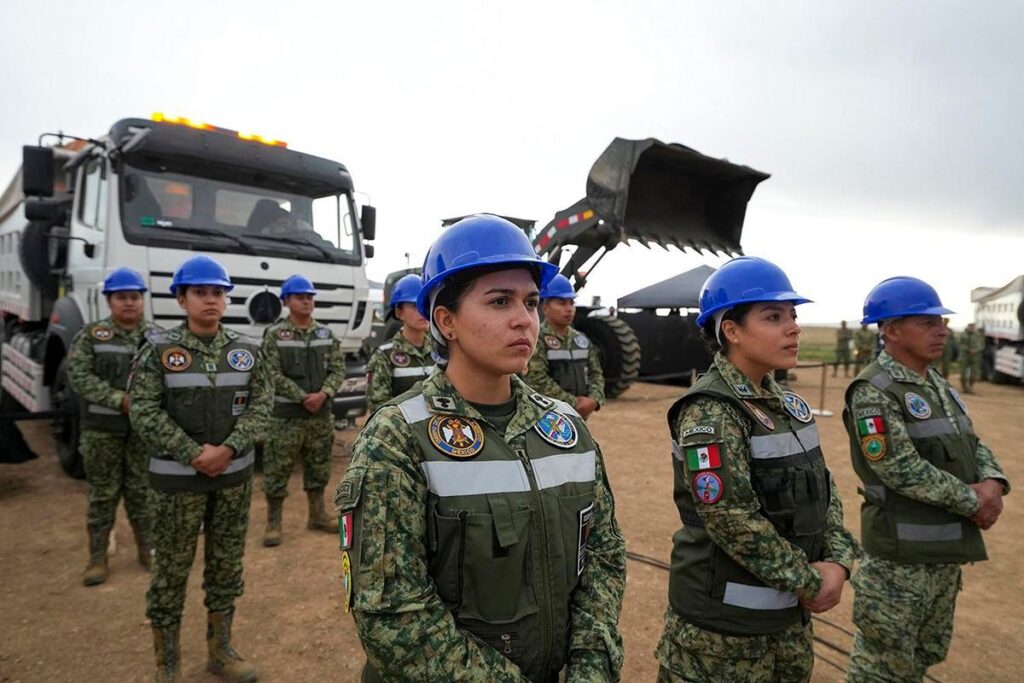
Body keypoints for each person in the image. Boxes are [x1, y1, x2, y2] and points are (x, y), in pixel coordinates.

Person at [335, 214, 626, 682]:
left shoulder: (566, 426)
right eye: (499, 301)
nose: (523, 319)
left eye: (531, 302)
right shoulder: (396, 437)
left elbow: (603, 555)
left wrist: (591, 667)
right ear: (446, 321)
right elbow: (391, 614)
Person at [655, 256, 857, 683]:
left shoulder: (787, 404)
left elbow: (825, 488)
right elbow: (729, 518)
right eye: (773, 316)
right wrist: (809, 579)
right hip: (723, 636)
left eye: (793, 315)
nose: (794, 327)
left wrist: (838, 562)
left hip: (787, 623)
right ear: (731, 330)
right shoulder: (711, 409)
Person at [844, 277, 1009, 682]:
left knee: (920, 658)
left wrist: (993, 481)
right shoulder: (874, 391)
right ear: (892, 330)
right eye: (927, 322)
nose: (942, 331)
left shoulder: (935, 383)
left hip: (941, 554)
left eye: (941, 322)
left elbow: (970, 441)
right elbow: (898, 467)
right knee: (882, 668)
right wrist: (975, 502)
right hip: (899, 559)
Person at [130, 255, 271, 683]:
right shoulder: (158, 350)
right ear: (181, 298)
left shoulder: (247, 351)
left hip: (232, 480)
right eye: (200, 292)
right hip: (176, 484)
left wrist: (227, 449)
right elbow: (143, 409)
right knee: (171, 569)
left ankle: (221, 651)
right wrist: (194, 453)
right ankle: (166, 663)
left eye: (218, 293)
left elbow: (263, 408)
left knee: (226, 564)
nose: (211, 300)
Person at [68, 267, 156, 586]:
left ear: (142, 301)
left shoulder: (155, 337)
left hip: (140, 432)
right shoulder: (92, 336)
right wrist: (118, 399)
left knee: (141, 493)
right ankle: (97, 557)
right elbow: (79, 376)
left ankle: (147, 549)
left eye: (134, 297)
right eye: (122, 297)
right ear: (109, 300)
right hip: (101, 431)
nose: (129, 303)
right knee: (103, 495)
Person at [260, 274, 347, 547]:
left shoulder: (325, 334)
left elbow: (338, 368)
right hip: (286, 418)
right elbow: (270, 372)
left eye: (309, 297)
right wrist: (301, 397)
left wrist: (324, 394)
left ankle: (317, 515)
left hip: (319, 416)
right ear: (286, 301)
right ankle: (274, 522)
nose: (306, 301)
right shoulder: (275, 335)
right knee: (277, 469)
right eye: (300, 297)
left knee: (318, 466)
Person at [524, 274, 604, 420]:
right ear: (546, 307)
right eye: (562, 303)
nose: (569, 309)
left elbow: (596, 373)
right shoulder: (537, 339)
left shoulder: (581, 340)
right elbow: (536, 379)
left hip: (579, 416)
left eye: (572, 303)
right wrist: (574, 404)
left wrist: (594, 399)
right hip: (547, 416)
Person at [365, 273, 435, 414]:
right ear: (398, 312)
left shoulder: (441, 350)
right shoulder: (384, 355)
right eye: (415, 305)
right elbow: (378, 406)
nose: (422, 311)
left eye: (425, 305)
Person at [958, 322, 984, 393]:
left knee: (974, 374)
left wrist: (975, 350)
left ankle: (970, 388)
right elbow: (960, 344)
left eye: (973, 327)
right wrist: (967, 349)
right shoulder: (963, 335)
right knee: (963, 373)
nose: (972, 329)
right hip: (964, 356)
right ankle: (964, 388)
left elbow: (982, 345)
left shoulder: (978, 336)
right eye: (970, 327)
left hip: (974, 357)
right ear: (968, 327)